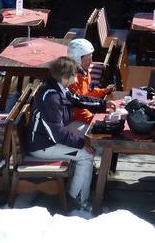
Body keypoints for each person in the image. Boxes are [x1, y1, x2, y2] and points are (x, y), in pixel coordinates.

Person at [26, 56, 106, 208]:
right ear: (64, 77)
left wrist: (104, 105)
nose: (76, 77)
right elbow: (58, 134)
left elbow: (78, 99)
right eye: (74, 74)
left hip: (50, 136)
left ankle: (84, 179)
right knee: (86, 155)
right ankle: (77, 200)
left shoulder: (58, 88)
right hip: (43, 145)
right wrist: (81, 144)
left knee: (92, 134)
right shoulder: (51, 98)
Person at [66, 39, 115, 125]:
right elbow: (78, 106)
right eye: (88, 59)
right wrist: (93, 120)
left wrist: (103, 91)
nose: (91, 61)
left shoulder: (84, 72)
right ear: (77, 60)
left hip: (83, 112)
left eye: (91, 58)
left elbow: (87, 93)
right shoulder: (71, 81)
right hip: (71, 120)